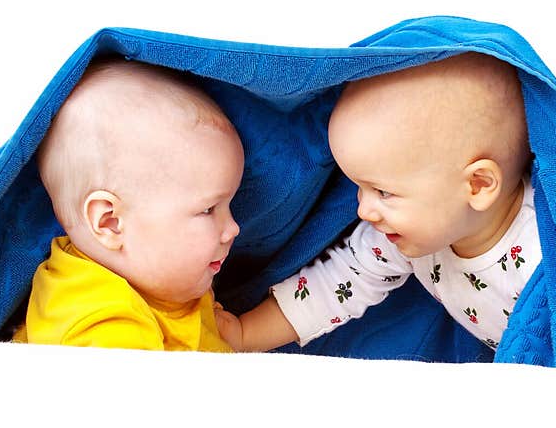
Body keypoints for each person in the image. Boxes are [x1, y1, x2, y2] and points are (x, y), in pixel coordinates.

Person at [215, 52, 539, 353]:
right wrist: (245, 334)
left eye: (383, 192)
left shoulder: (546, 255)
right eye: (358, 187)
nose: (363, 211)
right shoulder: (408, 236)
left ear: (478, 185)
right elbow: (339, 283)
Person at [13, 57, 244, 351]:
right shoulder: (101, 323)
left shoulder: (161, 277)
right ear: (110, 222)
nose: (233, 228)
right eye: (209, 209)